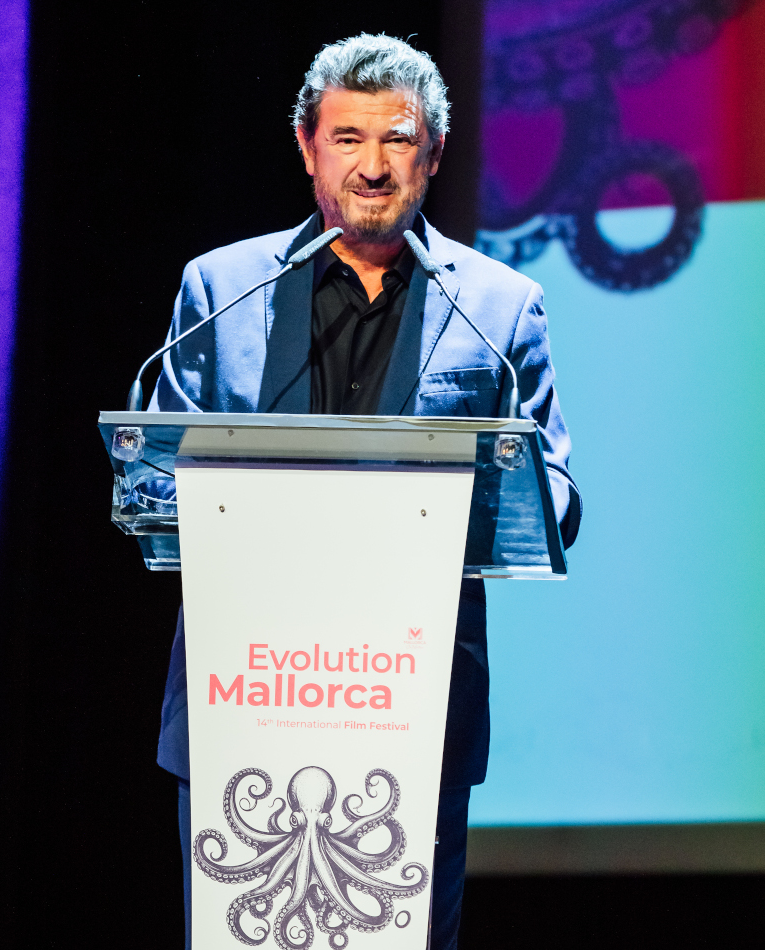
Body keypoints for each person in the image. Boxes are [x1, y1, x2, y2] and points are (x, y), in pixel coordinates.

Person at [151, 33, 581, 950]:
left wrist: (495, 490)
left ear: (434, 154)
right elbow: (155, 480)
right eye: (347, 138)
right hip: (246, 693)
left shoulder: (498, 307)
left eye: (397, 140)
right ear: (307, 147)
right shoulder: (222, 289)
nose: (373, 167)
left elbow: (555, 497)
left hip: (409, 704)